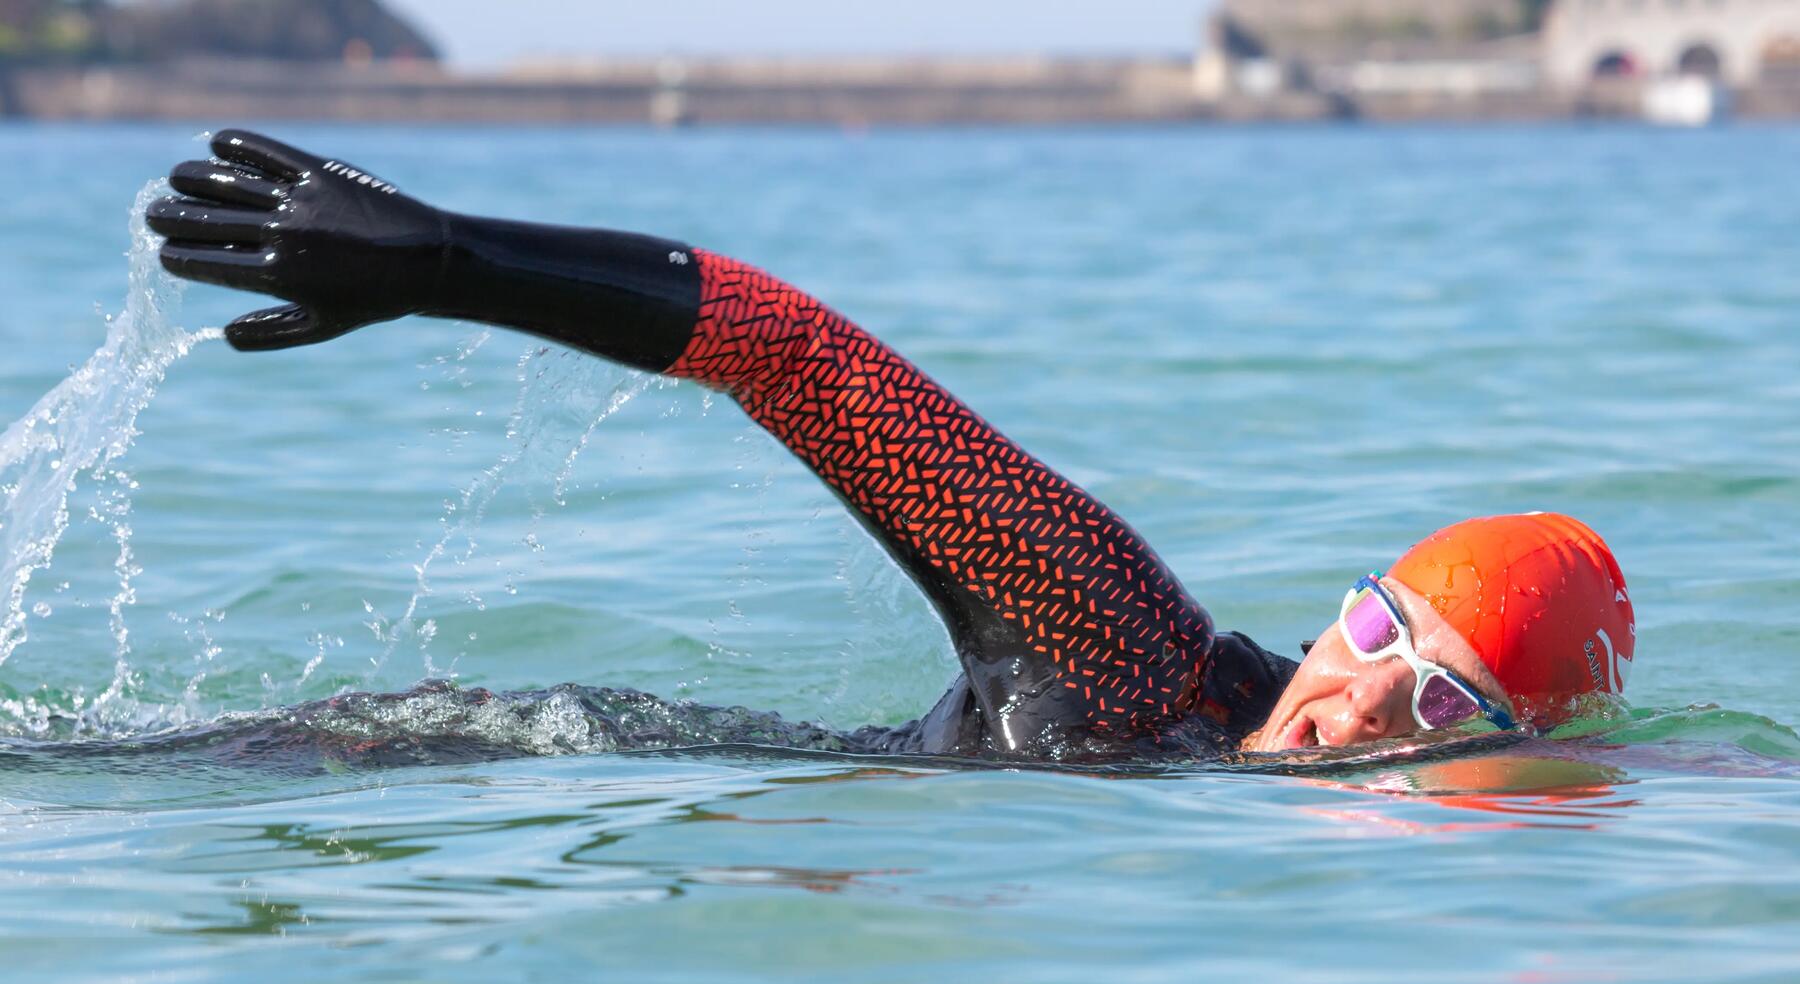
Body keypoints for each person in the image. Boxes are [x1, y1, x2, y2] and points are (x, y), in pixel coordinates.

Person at [147, 130, 1636, 763]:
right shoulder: (1128, 654)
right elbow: (806, 359)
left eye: (1437, 702)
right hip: (415, 767)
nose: (1353, 698)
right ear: (1340, 599)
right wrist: (451, 260)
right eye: (1375, 623)